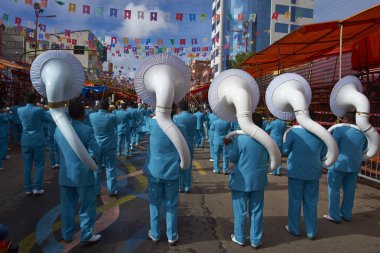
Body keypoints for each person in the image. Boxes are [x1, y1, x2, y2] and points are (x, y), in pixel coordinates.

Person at [55, 101, 101, 244]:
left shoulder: (59, 130)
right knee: (87, 206)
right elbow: (97, 151)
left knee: (67, 206)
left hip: (65, 174)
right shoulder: (86, 130)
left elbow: (57, 151)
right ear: (83, 113)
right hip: (83, 175)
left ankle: (67, 234)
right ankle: (86, 235)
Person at [225, 113, 269, 249]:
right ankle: (256, 240)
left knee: (240, 211)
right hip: (258, 180)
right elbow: (267, 158)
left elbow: (232, 157)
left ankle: (239, 237)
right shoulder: (266, 140)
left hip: (241, 181)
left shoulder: (241, 139)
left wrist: (227, 146)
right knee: (257, 211)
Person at [282, 111, 327, 240]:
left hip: (296, 171)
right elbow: (323, 152)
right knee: (311, 203)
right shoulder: (321, 133)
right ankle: (311, 231)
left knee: (295, 201)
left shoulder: (294, 132)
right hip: (313, 172)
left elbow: (285, 151)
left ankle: (294, 228)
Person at [144, 107, 186, 246]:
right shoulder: (180, 127)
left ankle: (155, 234)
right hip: (172, 171)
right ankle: (172, 236)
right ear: (175, 111)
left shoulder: (151, 123)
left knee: (154, 204)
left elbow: (141, 128)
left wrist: (154, 116)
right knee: (171, 204)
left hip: (154, 170)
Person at [323, 112, 367, 223]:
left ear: (346, 118)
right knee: (349, 191)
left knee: (333, 190)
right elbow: (364, 148)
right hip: (354, 165)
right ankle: (346, 214)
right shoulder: (362, 133)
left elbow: (332, 145)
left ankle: (334, 215)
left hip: (338, 164)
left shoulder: (339, 129)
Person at [17, 93, 49, 195]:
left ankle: (27, 189)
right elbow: (48, 119)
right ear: (35, 100)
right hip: (38, 140)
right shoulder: (39, 110)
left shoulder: (20, 110)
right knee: (39, 165)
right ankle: (37, 188)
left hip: (26, 140)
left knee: (27, 166)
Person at [89, 100, 119, 197]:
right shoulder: (112, 117)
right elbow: (119, 121)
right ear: (108, 107)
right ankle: (111, 190)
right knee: (110, 169)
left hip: (96, 146)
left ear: (98, 107)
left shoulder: (92, 116)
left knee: (96, 169)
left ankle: (96, 190)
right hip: (109, 146)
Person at [173, 100, 197, 193]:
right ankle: (187, 186)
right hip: (190, 143)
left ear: (179, 108)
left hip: (179, 144)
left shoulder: (176, 117)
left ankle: (179, 186)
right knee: (188, 165)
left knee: (179, 163)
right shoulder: (194, 117)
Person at [0, 101, 12, 171]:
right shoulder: (3, 115)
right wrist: (7, 113)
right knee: (2, 148)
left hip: (3, 132)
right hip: (3, 133)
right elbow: (9, 119)